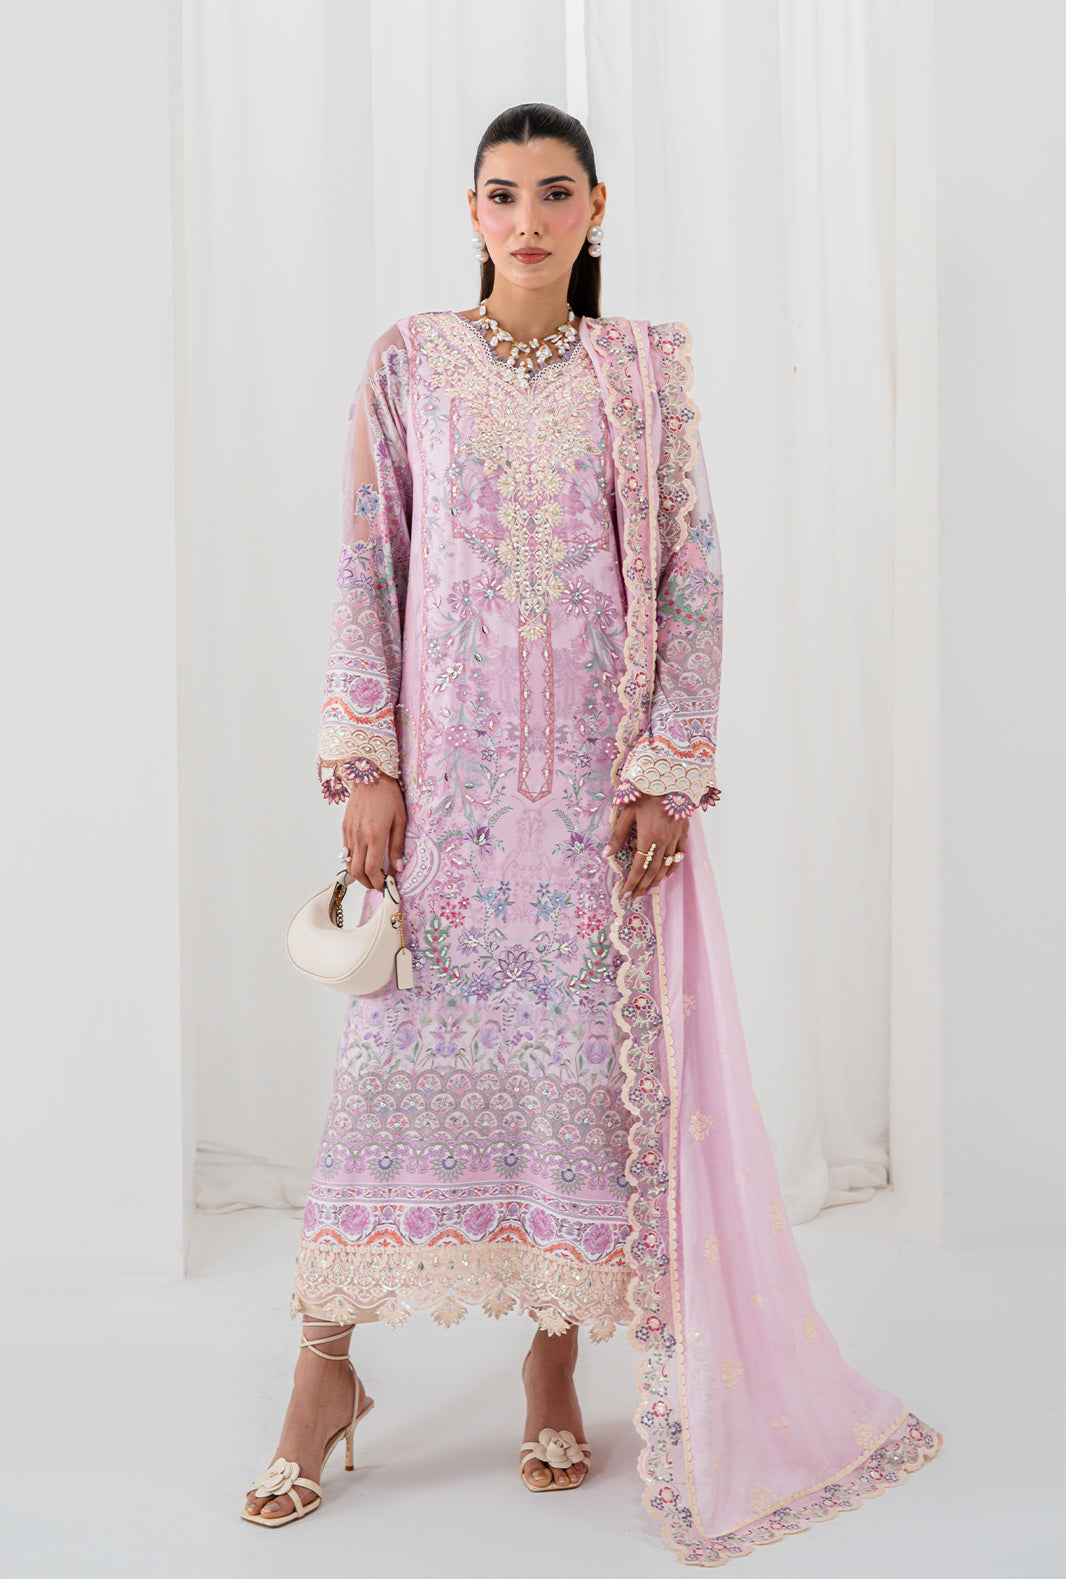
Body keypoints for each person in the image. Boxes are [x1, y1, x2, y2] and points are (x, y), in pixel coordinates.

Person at [242, 102, 942, 1564]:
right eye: (501, 195)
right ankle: (323, 1376)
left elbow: (692, 578)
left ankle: (553, 1367)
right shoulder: (408, 362)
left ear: (597, 208)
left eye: (554, 194)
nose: (527, 220)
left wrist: (665, 772)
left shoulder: (640, 374)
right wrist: (366, 761)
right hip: (443, 801)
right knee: (384, 1080)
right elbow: (368, 563)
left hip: (587, 812)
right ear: (470, 212)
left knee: (578, 1093)